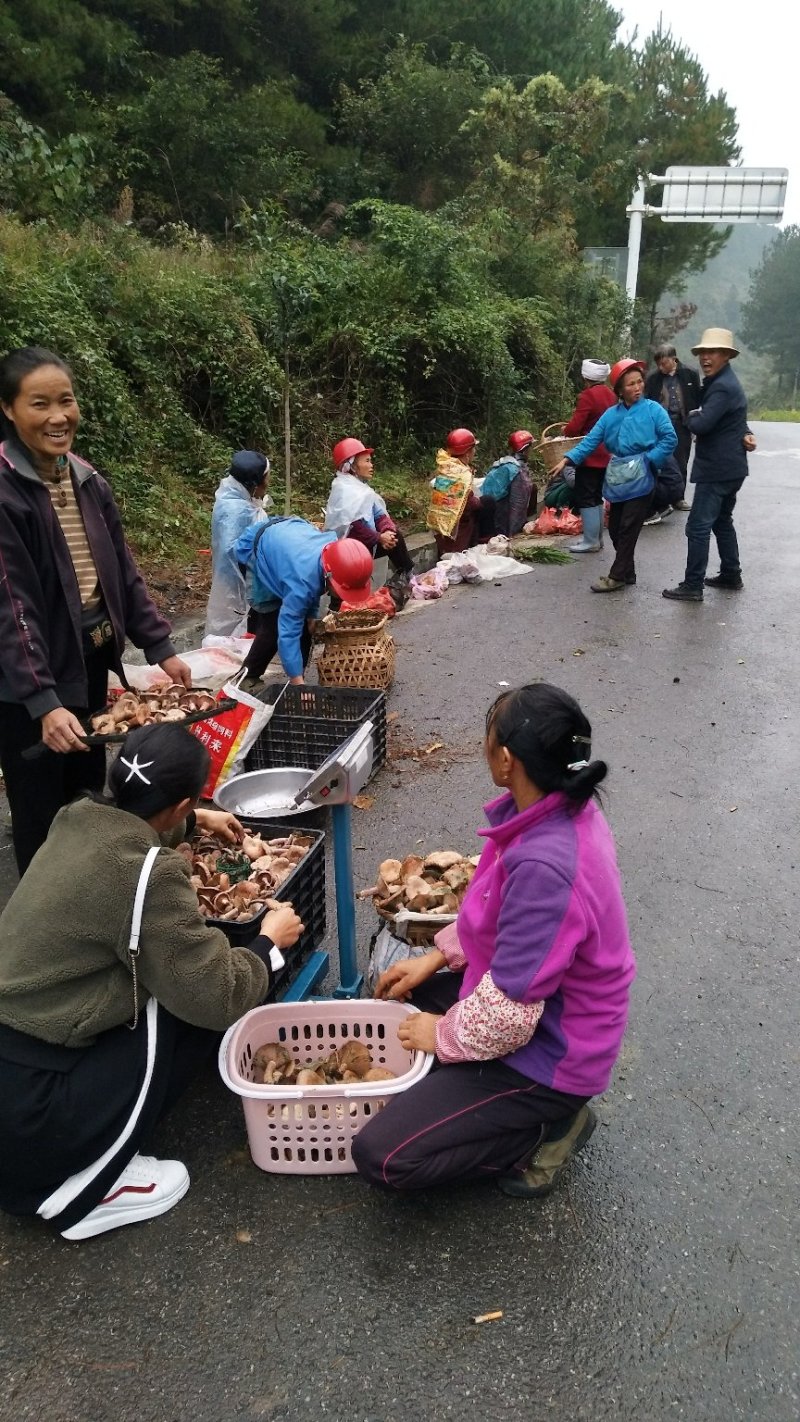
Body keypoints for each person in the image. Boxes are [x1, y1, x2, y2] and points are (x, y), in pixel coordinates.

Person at [0, 723, 304, 1239]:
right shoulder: (150, 876)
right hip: (36, 1110)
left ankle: (79, 1145)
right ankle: (92, 1186)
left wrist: (193, 820)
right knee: (174, 994)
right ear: (181, 803)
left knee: (159, 972)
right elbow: (217, 994)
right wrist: (269, 945)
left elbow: (129, 829)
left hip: (18, 1061)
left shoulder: (73, 819)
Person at [352, 682, 636, 1196]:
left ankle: (547, 1130)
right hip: (534, 1001)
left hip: (551, 1050)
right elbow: (494, 911)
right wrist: (436, 957)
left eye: (488, 737)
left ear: (506, 760)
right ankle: (468, 1092)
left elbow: (508, 1016)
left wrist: (440, 1035)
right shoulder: (555, 811)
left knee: (383, 1157)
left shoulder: (547, 865)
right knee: (399, 993)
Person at [0, 346, 191, 876]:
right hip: (26, 684)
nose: (58, 416)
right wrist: (43, 702)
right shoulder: (6, 491)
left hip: (87, 665)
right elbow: (10, 606)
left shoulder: (86, 479)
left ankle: (91, 904)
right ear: (9, 409)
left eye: (66, 401)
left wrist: (159, 645)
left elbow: (121, 572)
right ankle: (42, 933)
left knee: (87, 799)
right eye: (40, 404)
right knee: (41, 811)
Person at [553, 359, 677, 593]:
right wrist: (568, 459)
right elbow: (591, 440)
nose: (637, 387)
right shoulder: (611, 415)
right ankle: (628, 571)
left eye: (639, 382)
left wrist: (650, 459)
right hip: (620, 475)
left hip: (644, 476)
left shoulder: (653, 410)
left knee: (629, 526)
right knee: (618, 526)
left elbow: (670, 438)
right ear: (620, 390)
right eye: (631, 384)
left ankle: (616, 575)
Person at [662, 328, 756, 602]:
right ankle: (731, 574)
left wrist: (691, 415)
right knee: (722, 521)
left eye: (712, 352)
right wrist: (746, 432)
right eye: (703, 352)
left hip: (718, 469)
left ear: (726, 355)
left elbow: (702, 424)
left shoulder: (723, 386)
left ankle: (692, 585)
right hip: (731, 467)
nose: (705, 357)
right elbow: (736, 418)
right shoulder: (720, 382)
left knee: (698, 526)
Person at [233, 517, 374, 687]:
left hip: (288, 544)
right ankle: (248, 677)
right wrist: (297, 683)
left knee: (306, 625)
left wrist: (312, 615)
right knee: (274, 624)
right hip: (258, 549)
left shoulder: (332, 554)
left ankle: (298, 673)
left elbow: (315, 581)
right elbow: (288, 632)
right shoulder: (301, 582)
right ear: (330, 576)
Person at [323, 438, 414, 584]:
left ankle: (408, 576)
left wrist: (387, 531)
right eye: (366, 461)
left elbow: (379, 515)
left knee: (395, 535)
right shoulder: (343, 490)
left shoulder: (362, 489)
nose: (371, 466)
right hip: (351, 553)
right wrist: (379, 537)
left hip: (369, 544)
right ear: (351, 466)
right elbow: (354, 528)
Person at [204, 450, 270, 638]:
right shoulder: (239, 510)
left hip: (233, 581)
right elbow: (233, 552)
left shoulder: (232, 500)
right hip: (239, 583)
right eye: (267, 477)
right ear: (256, 482)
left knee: (230, 630)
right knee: (234, 628)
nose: (269, 482)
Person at [561, 359, 616, 553]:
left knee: (586, 496)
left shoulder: (587, 396)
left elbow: (575, 427)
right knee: (596, 496)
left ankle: (590, 540)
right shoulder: (611, 394)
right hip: (607, 453)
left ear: (586, 377)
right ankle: (597, 539)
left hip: (589, 454)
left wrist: (565, 430)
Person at [644, 344, 701, 510]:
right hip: (660, 425)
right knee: (660, 461)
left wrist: (695, 424)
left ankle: (679, 497)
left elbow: (697, 398)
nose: (661, 368)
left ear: (674, 359)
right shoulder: (653, 378)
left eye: (664, 363)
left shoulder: (690, 373)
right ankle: (660, 497)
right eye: (659, 364)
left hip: (682, 424)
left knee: (681, 462)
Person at [426, 428, 493, 556]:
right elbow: (469, 504)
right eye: (473, 449)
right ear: (467, 453)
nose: (475, 452)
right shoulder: (462, 474)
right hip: (457, 529)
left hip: (440, 524)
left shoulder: (446, 467)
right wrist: (478, 500)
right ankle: (482, 543)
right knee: (487, 503)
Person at [480, 430, 536, 536]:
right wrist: (512, 532)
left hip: (489, 516)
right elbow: (517, 504)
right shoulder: (516, 471)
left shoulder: (504, 464)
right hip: (500, 521)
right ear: (525, 450)